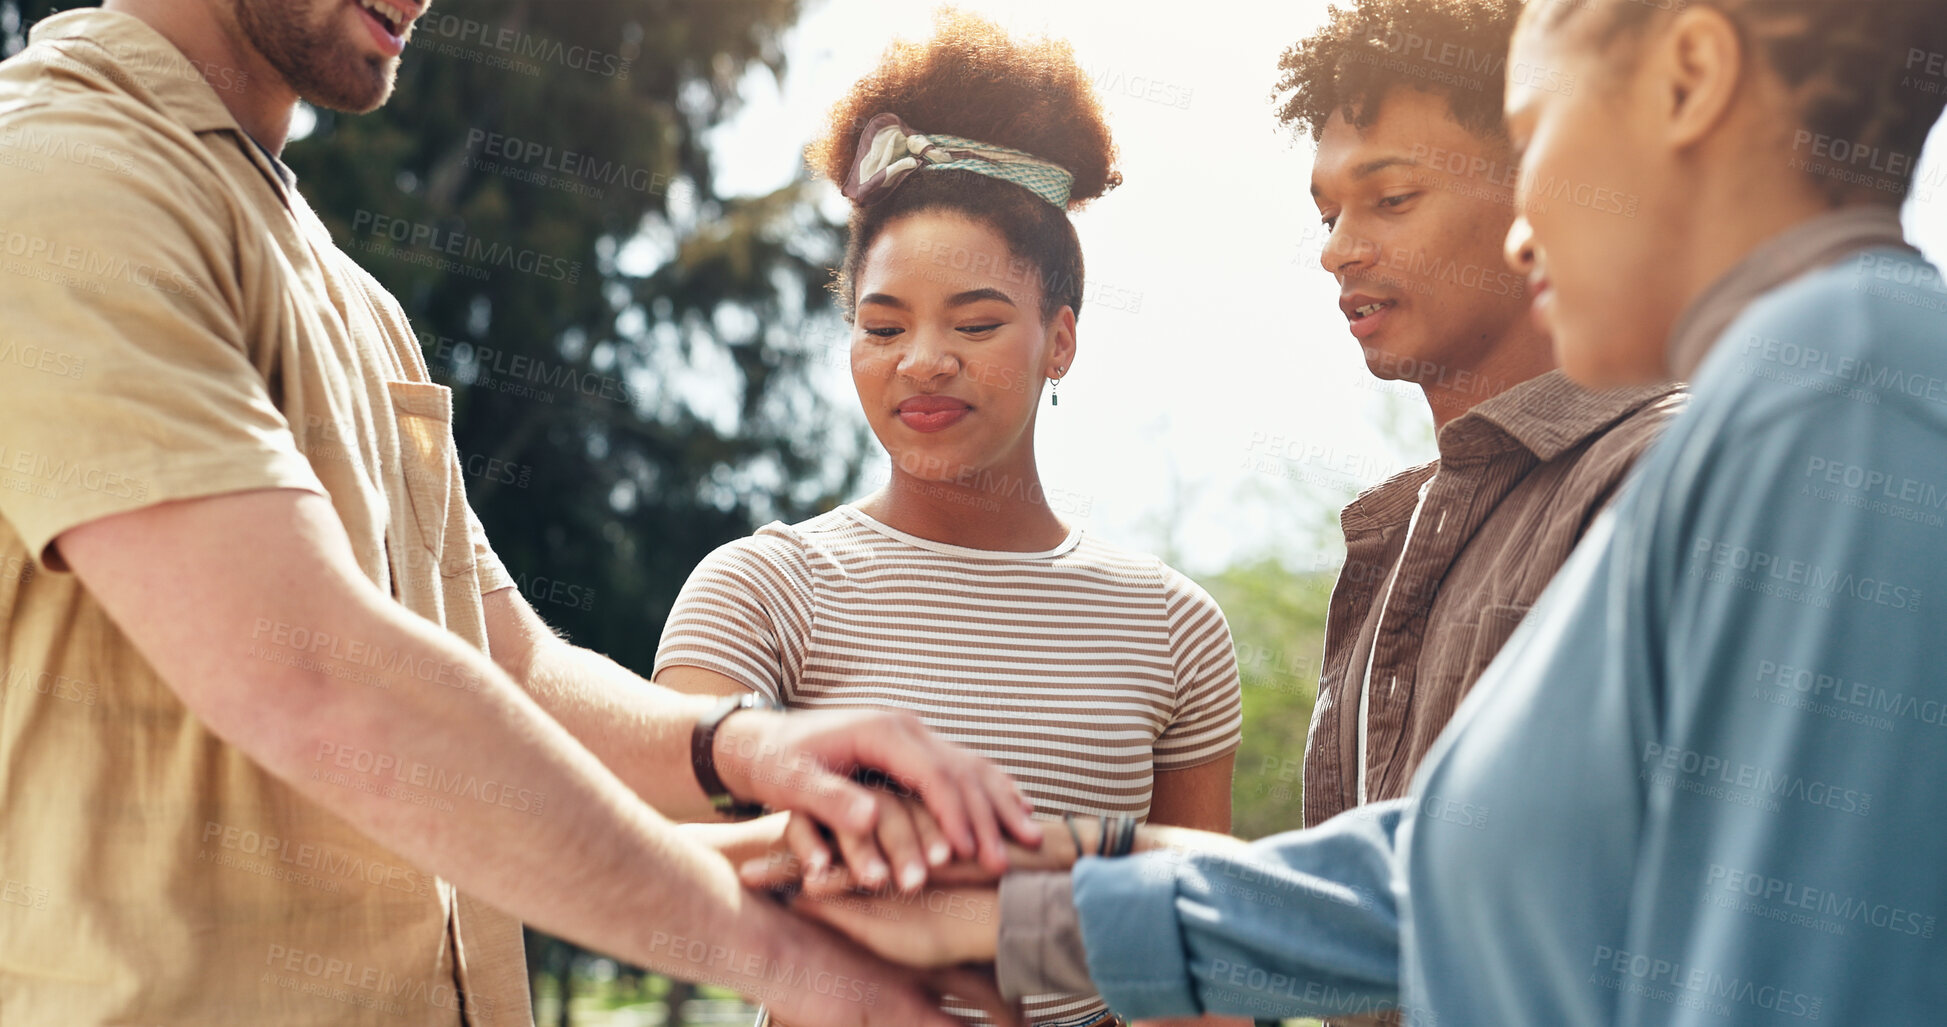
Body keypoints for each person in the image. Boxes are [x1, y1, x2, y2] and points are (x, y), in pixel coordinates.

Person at [770, 1, 1947, 1023]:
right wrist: (1027, 898)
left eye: (1534, 137)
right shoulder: (1801, 393)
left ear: (1689, 80)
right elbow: (1454, 874)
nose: (1529, 229)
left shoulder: (1843, 385)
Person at [0, 2, 1044, 1025]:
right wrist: (774, 957)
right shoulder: (60, 178)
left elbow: (507, 668)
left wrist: (742, 754)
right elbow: (315, 671)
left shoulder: (348, 295)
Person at [656, 12, 1243, 1027]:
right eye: (882, 326)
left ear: (1061, 339)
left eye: (975, 323)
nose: (922, 360)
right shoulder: (761, 591)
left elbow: (1202, 966)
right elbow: (665, 884)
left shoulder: (1173, 628)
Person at [1278, 0, 1681, 846]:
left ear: (1543, 192)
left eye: (1390, 198)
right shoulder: (1399, 523)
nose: (1337, 250)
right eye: (1326, 215)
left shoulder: (1654, 472)